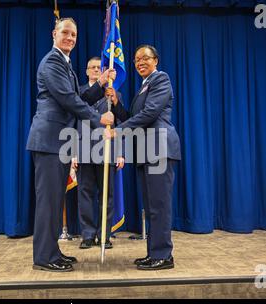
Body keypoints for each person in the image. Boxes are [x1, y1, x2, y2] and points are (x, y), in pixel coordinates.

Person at [26, 18, 115, 272]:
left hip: (60, 143)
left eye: (74, 34)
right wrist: (99, 118)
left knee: (55, 201)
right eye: (65, 32)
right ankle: (44, 257)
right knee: (48, 202)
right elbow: (68, 100)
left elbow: (78, 97)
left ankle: (52, 251)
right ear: (54, 33)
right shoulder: (52, 62)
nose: (70, 37)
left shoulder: (66, 65)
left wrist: (99, 85)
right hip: (49, 141)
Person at [106, 45, 181, 270]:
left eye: (145, 58)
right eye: (137, 59)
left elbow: (150, 114)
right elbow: (133, 116)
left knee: (159, 205)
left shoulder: (161, 79)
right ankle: (154, 253)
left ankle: (164, 256)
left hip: (159, 149)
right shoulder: (144, 86)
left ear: (155, 60)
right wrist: (117, 103)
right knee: (151, 207)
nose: (140, 62)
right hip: (146, 152)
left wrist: (117, 131)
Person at [72, 57, 125, 250]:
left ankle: (104, 235)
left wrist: (120, 153)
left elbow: (120, 123)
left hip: (107, 151)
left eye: (98, 67)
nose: (95, 70)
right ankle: (87, 235)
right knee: (85, 194)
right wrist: (73, 153)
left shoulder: (113, 94)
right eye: (92, 68)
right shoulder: (79, 93)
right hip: (84, 150)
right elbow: (73, 124)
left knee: (107, 195)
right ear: (86, 71)